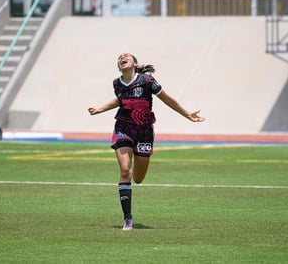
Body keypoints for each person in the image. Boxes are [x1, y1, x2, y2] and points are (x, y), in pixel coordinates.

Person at [88, 53, 205, 231]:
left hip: (144, 132)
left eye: (126, 56)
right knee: (125, 170)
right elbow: (120, 100)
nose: (122, 57)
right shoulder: (116, 83)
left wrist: (187, 113)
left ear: (134, 63)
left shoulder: (147, 81)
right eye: (119, 57)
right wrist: (99, 109)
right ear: (119, 66)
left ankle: (132, 177)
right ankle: (127, 218)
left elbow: (167, 99)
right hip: (123, 129)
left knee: (139, 178)